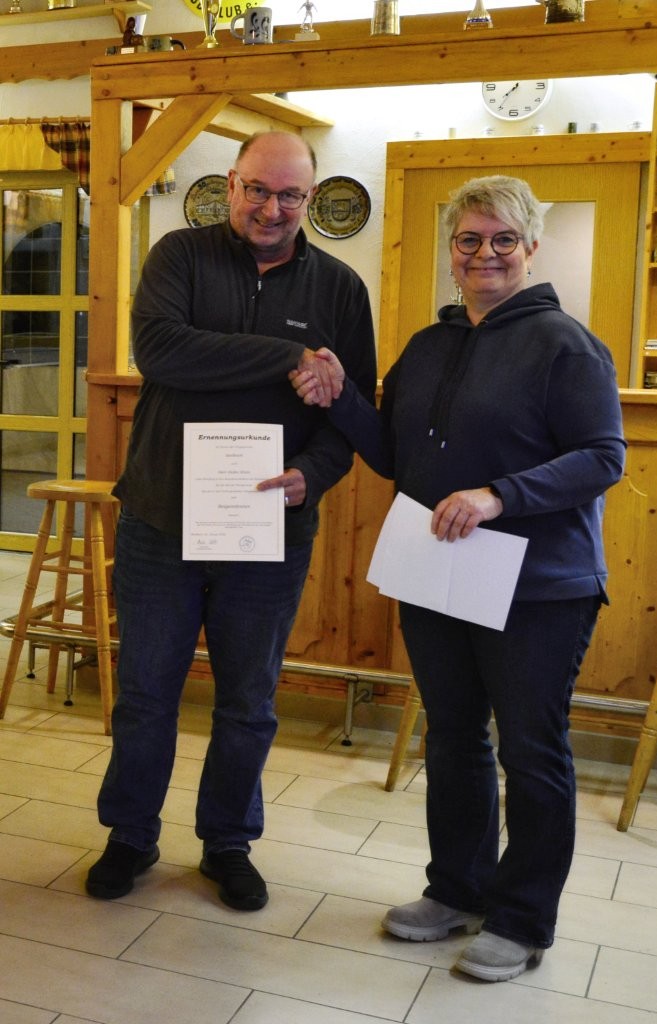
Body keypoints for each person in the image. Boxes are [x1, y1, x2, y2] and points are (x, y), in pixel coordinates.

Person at [290, 175, 626, 982]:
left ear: (531, 249)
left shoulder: (566, 345)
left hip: (538, 585)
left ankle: (522, 920)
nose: (485, 255)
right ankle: (457, 890)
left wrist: (498, 496)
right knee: (452, 737)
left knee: (532, 752)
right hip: (438, 572)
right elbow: (397, 457)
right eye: (470, 240)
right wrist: (340, 400)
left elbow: (602, 458)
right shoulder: (429, 345)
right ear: (451, 253)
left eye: (503, 240)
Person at [86, 131, 376, 909]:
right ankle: (131, 836)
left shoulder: (342, 290)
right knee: (147, 690)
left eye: (289, 195)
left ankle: (227, 842)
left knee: (249, 698)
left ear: (309, 198)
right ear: (230, 183)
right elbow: (161, 351)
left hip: (270, 528)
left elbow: (351, 412)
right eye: (257, 189)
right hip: (160, 520)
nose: (271, 208)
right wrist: (289, 360)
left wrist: (308, 478)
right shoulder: (179, 257)